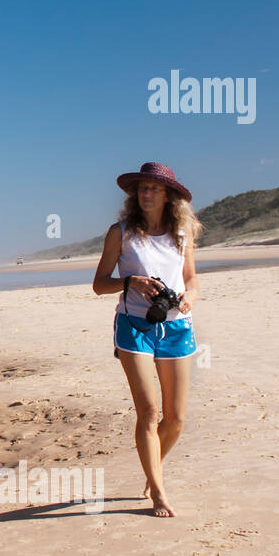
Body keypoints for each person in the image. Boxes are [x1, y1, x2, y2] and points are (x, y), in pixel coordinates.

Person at [92, 162, 203, 517]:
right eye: (142, 188)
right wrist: (132, 282)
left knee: (177, 418)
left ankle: (153, 466)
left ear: (169, 195)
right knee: (150, 412)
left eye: (154, 188)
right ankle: (158, 491)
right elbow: (99, 284)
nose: (147, 193)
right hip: (134, 326)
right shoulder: (120, 233)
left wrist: (188, 299)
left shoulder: (181, 235)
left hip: (176, 327)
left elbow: (192, 281)